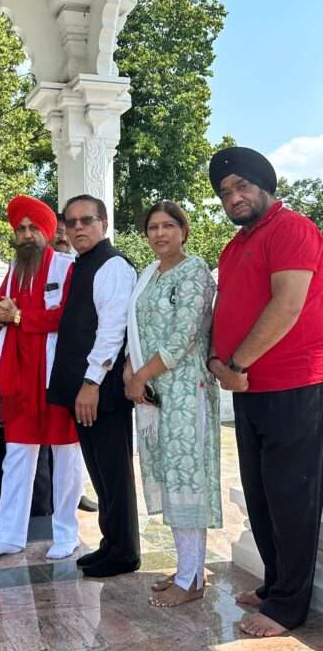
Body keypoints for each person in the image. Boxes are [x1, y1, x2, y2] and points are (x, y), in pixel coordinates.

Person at [209, 146, 323, 636]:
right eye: (224, 192)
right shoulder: (234, 246)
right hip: (246, 386)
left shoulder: (292, 228)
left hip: (294, 385)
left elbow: (287, 305)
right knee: (260, 493)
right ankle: (276, 583)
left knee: (292, 496)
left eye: (242, 186)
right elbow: (226, 309)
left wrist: (235, 363)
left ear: (265, 184)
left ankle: (289, 606)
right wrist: (217, 361)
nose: (233, 197)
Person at [0, 196, 83, 563]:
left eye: (32, 228)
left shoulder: (66, 267)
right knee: (17, 456)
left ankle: (66, 534)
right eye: (20, 229)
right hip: (18, 375)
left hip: (54, 376)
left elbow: (68, 318)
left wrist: (20, 317)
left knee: (66, 455)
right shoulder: (14, 270)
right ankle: (9, 536)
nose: (25, 235)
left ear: (47, 232)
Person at [124, 201, 221, 607]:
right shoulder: (149, 274)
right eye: (153, 227)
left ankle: (192, 579)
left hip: (184, 389)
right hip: (152, 390)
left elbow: (184, 337)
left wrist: (139, 377)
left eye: (168, 226)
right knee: (169, 475)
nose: (160, 233)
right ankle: (186, 567)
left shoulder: (194, 271)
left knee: (187, 480)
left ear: (184, 230)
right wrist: (131, 372)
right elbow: (134, 328)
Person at [48, 194, 141, 577]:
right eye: (71, 222)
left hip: (101, 389)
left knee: (114, 473)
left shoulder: (112, 265)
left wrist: (90, 383)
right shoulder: (84, 264)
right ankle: (111, 544)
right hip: (85, 389)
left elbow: (112, 330)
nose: (78, 228)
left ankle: (125, 553)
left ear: (103, 223)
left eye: (86, 220)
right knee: (100, 473)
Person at [50, 211, 98, 515]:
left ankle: (75, 491)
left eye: (63, 230)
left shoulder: (81, 267)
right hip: (45, 361)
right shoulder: (37, 267)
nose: (61, 236)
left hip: (78, 362)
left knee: (74, 436)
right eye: (56, 230)